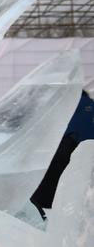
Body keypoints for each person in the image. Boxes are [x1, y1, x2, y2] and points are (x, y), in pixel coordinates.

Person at [30, 88, 94, 219]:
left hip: (68, 145)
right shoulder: (86, 103)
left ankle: (44, 208)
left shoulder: (75, 103)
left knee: (54, 176)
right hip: (78, 147)